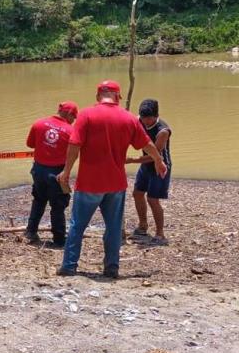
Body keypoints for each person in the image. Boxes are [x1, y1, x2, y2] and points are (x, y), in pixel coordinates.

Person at [56, 81, 167, 278]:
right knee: (114, 227)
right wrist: (158, 160)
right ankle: (112, 268)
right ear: (117, 97)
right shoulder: (128, 118)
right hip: (115, 184)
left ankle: (69, 266)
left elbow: (74, 145)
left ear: (98, 95)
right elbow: (147, 143)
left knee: (77, 225)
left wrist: (66, 171)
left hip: (89, 183)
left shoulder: (86, 115)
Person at [24, 101, 79, 247]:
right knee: (58, 206)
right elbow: (74, 154)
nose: (74, 120)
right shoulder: (71, 131)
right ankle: (59, 240)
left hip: (38, 170)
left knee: (39, 200)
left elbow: (30, 144)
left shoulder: (39, 123)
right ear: (68, 114)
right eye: (74, 117)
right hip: (57, 173)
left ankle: (31, 231)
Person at [126, 98, 172, 245]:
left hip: (159, 165)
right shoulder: (138, 120)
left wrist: (132, 160)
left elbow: (155, 156)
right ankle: (143, 226)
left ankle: (160, 234)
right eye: (143, 119)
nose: (146, 122)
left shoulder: (162, 131)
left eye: (149, 119)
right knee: (137, 194)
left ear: (156, 115)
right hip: (144, 165)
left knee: (152, 199)